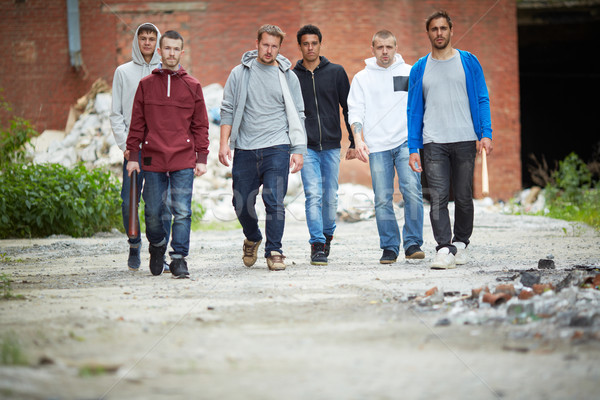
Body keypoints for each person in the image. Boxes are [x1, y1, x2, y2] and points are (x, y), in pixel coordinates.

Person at [407, 10, 493, 269]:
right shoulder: (419, 68)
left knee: (464, 196)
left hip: (466, 139)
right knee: (438, 197)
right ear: (428, 33)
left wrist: (485, 133)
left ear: (451, 30)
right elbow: (412, 110)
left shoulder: (468, 61)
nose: (439, 33)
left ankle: (462, 243)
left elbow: (482, 97)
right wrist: (414, 147)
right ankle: (444, 248)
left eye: (443, 28)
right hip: (434, 142)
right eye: (434, 29)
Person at [219, 24, 306, 272]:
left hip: (277, 146)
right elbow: (226, 109)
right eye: (265, 45)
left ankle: (274, 250)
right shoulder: (239, 73)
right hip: (245, 148)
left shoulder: (288, 76)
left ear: (280, 48)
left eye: (274, 46)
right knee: (241, 202)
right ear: (257, 43)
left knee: (274, 200)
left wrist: (298, 148)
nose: (269, 50)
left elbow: (299, 113)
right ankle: (253, 236)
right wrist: (224, 143)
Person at [126, 30, 209, 278]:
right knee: (153, 210)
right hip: (153, 158)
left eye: (176, 49)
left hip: (183, 157)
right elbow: (137, 123)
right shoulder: (146, 85)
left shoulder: (193, 85)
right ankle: (158, 246)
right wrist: (132, 156)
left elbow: (200, 125)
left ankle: (179, 258)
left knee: (182, 210)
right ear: (160, 52)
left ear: (181, 53)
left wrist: (202, 158)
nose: (171, 53)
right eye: (168, 49)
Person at [347, 30, 425, 264]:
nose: (384, 52)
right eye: (380, 47)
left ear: (396, 48)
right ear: (372, 49)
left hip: (405, 142)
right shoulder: (362, 78)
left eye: (389, 47)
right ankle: (390, 247)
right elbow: (355, 110)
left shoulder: (409, 72)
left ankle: (412, 243)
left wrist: (417, 141)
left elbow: (420, 107)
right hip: (377, 146)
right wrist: (359, 140)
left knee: (412, 191)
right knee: (382, 198)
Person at [110, 23, 171, 272]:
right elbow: (116, 114)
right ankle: (134, 243)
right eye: (143, 38)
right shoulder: (123, 72)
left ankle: (160, 252)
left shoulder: (164, 70)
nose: (146, 42)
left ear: (156, 43)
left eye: (151, 38)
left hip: (159, 150)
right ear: (136, 41)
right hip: (133, 150)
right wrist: (126, 145)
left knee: (159, 204)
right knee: (128, 201)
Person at [293, 24, 353, 266]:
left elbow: (349, 109)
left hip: (330, 144)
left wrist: (352, 139)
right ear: (300, 46)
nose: (310, 47)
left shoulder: (336, 72)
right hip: (305, 145)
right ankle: (317, 243)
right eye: (305, 43)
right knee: (313, 194)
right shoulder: (292, 76)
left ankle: (327, 235)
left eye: (314, 43)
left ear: (320, 44)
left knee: (330, 196)